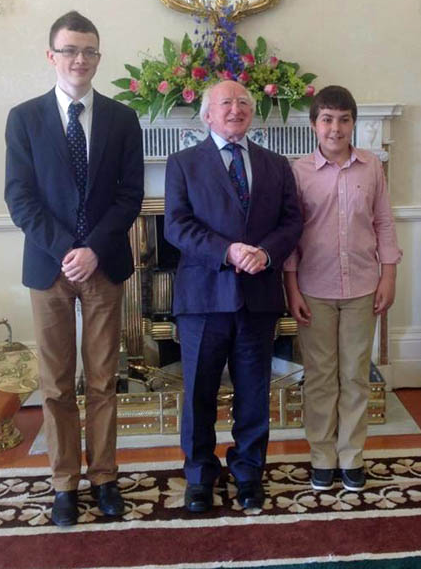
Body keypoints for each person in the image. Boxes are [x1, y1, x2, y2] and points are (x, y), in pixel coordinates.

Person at [5, 11, 144, 526]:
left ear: (98, 58)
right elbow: (19, 198)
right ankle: (65, 483)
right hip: (49, 267)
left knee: (105, 380)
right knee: (57, 384)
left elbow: (132, 196)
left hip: (105, 266)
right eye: (69, 50)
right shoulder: (24, 118)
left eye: (88, 51)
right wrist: (68, 248)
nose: (79, 60)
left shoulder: (123, 119)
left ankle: (104, 476)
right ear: (52, 56)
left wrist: (94, 249)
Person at [164, 80, 302, 512]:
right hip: (204, 299)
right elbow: (177, 226)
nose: (236, 109)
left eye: (244, 102)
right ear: (207, 114)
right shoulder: (183, 163)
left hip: (258, 297)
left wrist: (264, 252)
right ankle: (200, 476)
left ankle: (247, 474)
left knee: (253, 393)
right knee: (200, 395)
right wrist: (227, 251)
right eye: (226, 102)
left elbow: (292, 221)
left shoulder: (276, 165)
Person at [284, 85, 402, 492]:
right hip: (314, 288)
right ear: (314, 125)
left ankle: (351, 455)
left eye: (344, 119)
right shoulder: (298, 172)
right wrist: (292, 288)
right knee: (320, 375)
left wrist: (388, 276)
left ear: (354, 123)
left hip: (363, 287)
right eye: (327, 119)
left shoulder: (371, 168)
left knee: (354, 374)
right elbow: (291, 236)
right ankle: (322, 455)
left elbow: (384, 223)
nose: (336, 128)